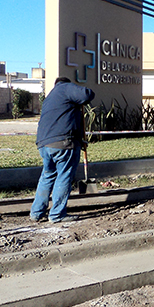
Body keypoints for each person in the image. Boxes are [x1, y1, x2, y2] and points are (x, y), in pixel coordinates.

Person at [30, 77, 95, 223]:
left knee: (47, 175)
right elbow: (86, 94)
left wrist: (79, 140)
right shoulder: (65, 88)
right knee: (64, 176)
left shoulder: (50, 98)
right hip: (63, 143)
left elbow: (63, 120)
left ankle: (36, 212)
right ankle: (57, 215)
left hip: (44, 144)